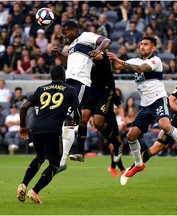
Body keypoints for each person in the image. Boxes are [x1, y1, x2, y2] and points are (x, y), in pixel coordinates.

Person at [107, 36, 177, 183]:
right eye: (141, 44)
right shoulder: (134, 60)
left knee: (165, 125)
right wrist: (109, 58)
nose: (142, 46)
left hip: (158, 99)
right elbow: (116, 68)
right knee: (131, 136)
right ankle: (138, 164)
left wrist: (119, 60)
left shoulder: (156, 61)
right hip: (145, 105)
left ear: (153, 48)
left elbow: (140, 69)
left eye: (146, 44)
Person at [16, 65, 81, 204]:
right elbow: (77, 111)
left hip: (36, 128)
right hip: (53, 130)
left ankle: (23, 184)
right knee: (54, 164)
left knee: (39, 157)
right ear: (64, 77)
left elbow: (24, 107)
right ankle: (34, 191)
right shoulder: (70, 90)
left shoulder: (41, 89)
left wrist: (22, 125)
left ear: (51, 77)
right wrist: (77, 120)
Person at [51, 20, 111, 168]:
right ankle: (61, 158)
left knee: (71, 119)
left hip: (81, 82)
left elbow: (106, 40)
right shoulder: (71, 45)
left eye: (65, 32)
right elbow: (69, 62)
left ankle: (62, 160)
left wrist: (98, 50)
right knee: (66, 119)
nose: (64, 35)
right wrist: (60, 54)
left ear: (73, 30)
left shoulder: (85, 36)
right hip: (69, 82)